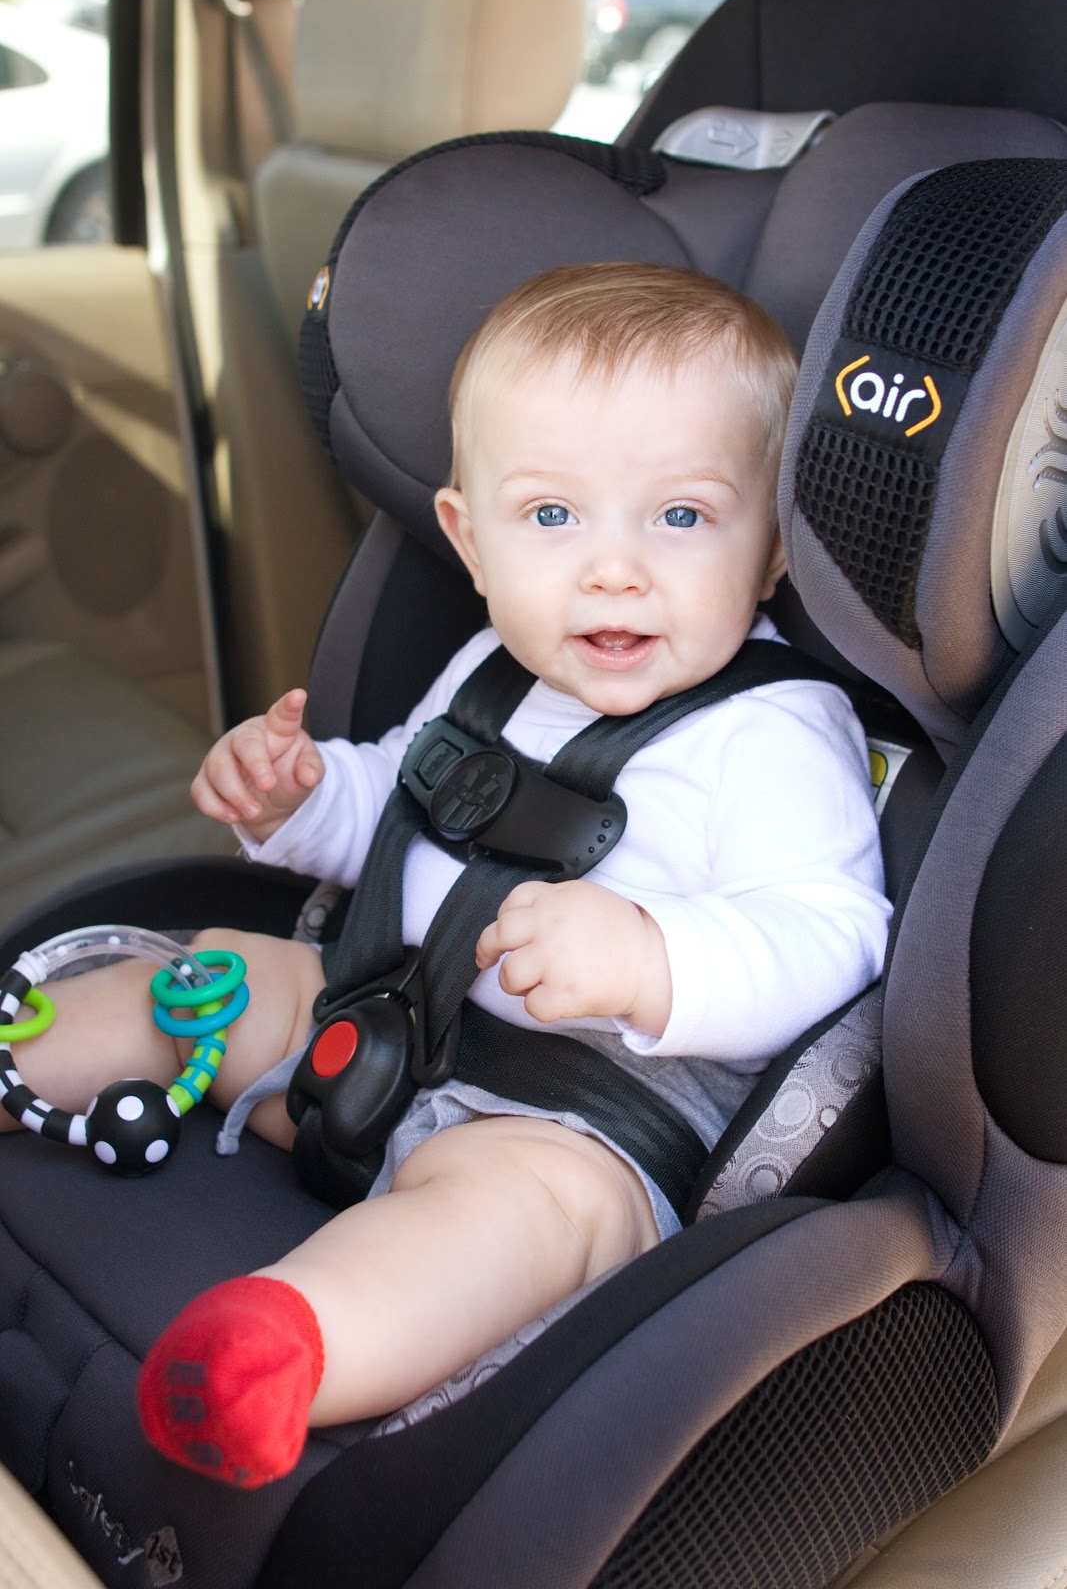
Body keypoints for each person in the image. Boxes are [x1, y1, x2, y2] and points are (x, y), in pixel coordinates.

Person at [1, 262, 891, 1488]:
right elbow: (400, 800)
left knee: (514, 1221)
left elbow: (835, 929)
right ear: (468, 537)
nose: (613, 569)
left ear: (772, 544)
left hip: (575, 1123)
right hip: (370, 1025)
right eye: (550, 517)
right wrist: (306, 800)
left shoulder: (775, 729)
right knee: (205, 972)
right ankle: (20, 1067)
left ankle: (279, 1348)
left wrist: (651, 958)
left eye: (680, 517)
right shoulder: (490, 668)